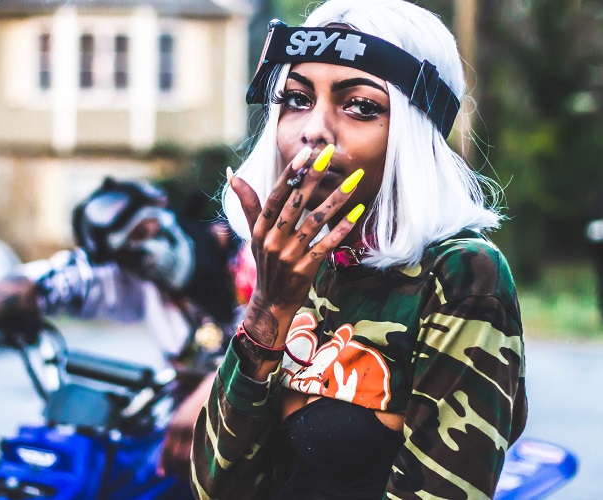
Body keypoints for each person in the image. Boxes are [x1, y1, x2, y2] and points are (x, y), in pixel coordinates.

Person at [190, 1, 527, 498]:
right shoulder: (295, 266)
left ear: (414, 132)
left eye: (361, 106)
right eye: (297, 99)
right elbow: (215, 489)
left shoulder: (462, 274)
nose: (313, 130)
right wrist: (267, 311)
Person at [0, 177, 241, 480]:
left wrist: (217, 388)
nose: (147, 252)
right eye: (127, 253)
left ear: (161, 206)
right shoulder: (136, 278)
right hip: (189, 436)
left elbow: (275, 326)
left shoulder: (249, 249)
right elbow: (42, 283)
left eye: (144, 230)